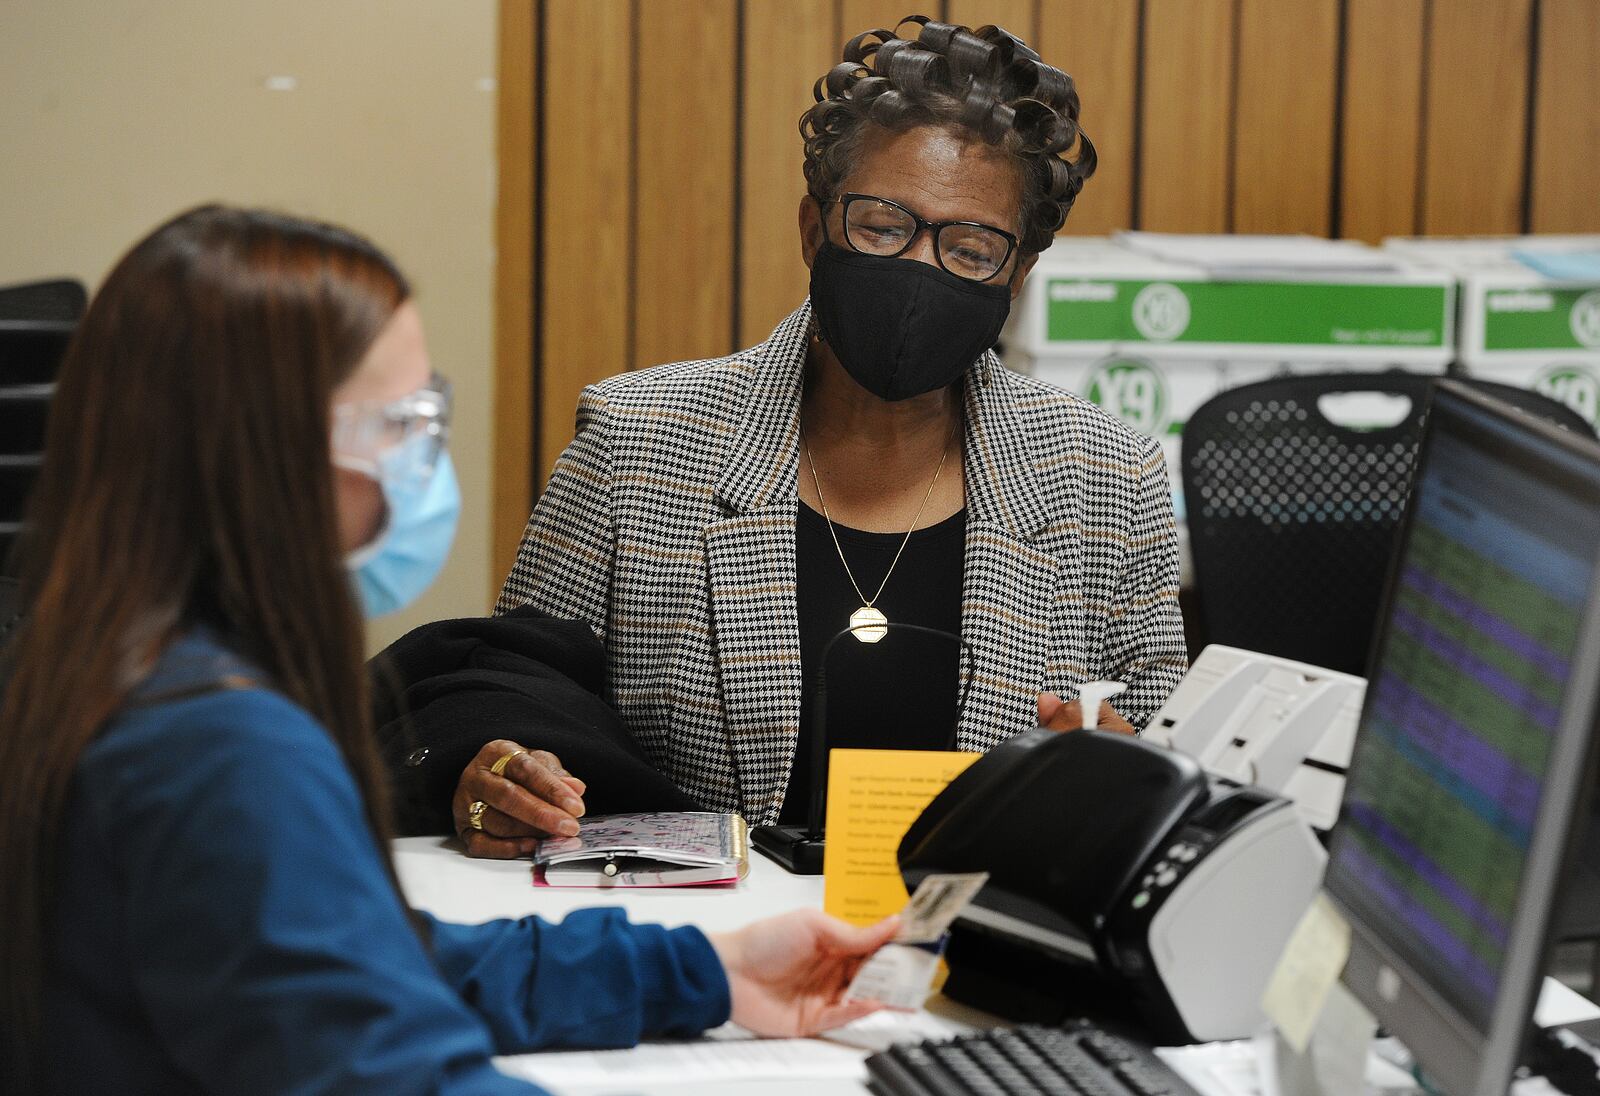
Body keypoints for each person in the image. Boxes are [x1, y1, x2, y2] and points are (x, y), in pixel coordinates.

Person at [0, 206, 896, 1093]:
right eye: (401, 423)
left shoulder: (94, 671)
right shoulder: (221, 749)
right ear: (262, 459)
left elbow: (364, 961)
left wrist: (712, 971)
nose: (428, 459)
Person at [457, 15, 1188, 854]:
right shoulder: (637, 443)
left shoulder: (1107, 474)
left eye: (971, 247)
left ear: (1016, 273)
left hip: (976, 959)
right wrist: (503, 784)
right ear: (813, 229)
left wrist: (1130, 772)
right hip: (707, 953)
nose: (920, 266)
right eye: (882, 225)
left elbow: (1171, 742)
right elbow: (512, 701)